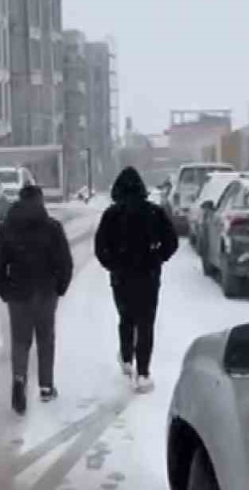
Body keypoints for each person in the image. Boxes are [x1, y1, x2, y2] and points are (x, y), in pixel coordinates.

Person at [0, 184, 74, 415]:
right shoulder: (52, 227)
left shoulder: (8, 228)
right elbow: (65, 262)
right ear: (40, 200)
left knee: (20, 341)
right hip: (46, 292)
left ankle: (19, 378)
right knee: (46, 339)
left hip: (18, 293)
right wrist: (60, 287)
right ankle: (46, 386)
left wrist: (4, 290)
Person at [95, 167, 178, 393]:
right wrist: (158, 258)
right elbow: (172, 241)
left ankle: (126, 358)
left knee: (126, 318)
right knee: (146, 323)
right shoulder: (154, 212)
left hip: (121, 277)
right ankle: (143, 372)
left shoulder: (112, 215)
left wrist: (113, 264)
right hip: (148, 277)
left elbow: (100, 247)